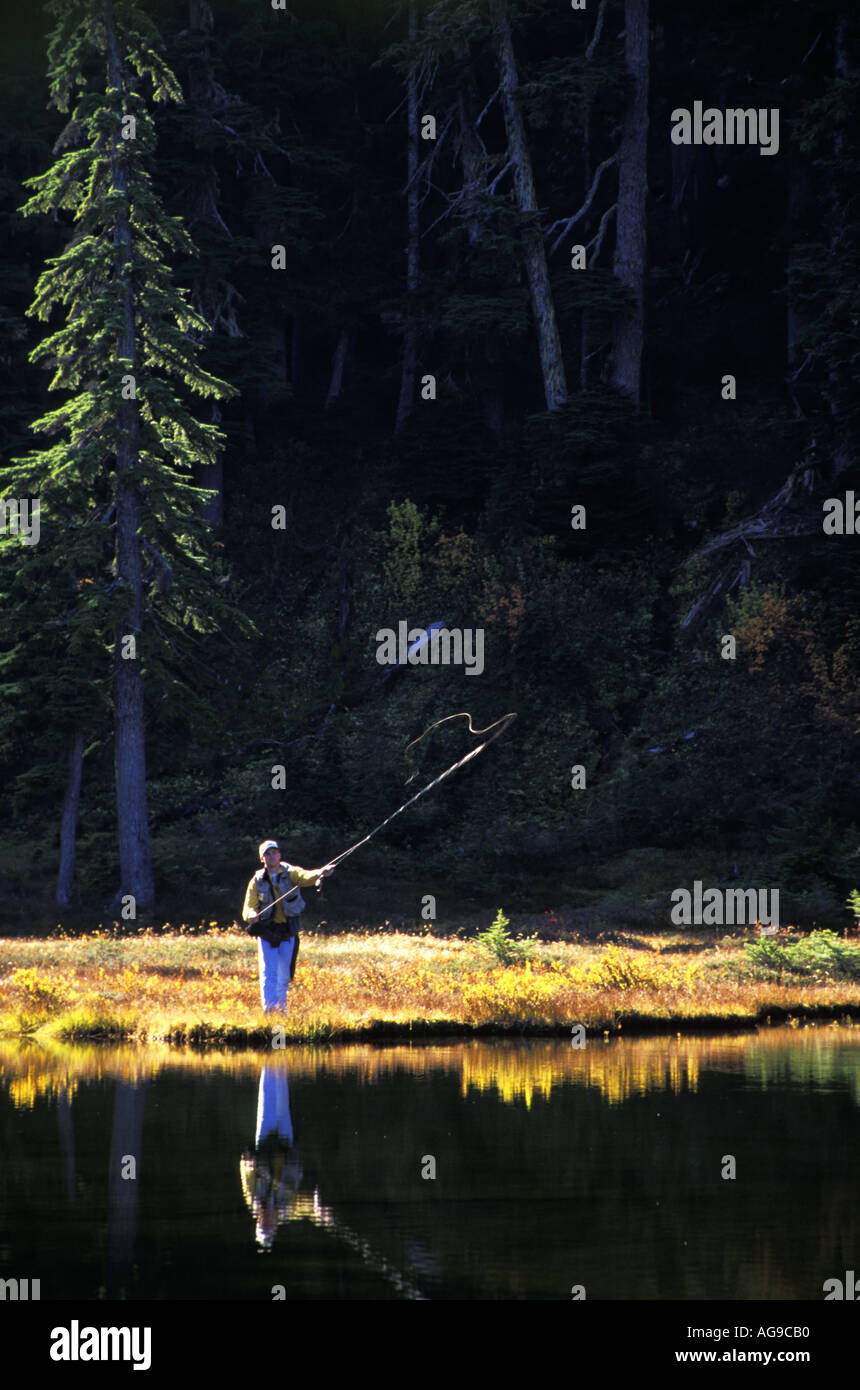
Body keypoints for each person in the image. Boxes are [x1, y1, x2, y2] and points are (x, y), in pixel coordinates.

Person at [243, 840, 334, 1013]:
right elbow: (248, 907)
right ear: (262, 858)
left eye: (274, 853)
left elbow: (306, 876)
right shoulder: (256, 881)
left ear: (280, 855)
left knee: (284, 975)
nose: (272, 856)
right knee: (269, 973)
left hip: (288, 930)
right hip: (267, 932)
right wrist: (251, 915)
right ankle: (270, 1011)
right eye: (267, 854)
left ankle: (281, 1010)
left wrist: (321, 872)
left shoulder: (291, 873)